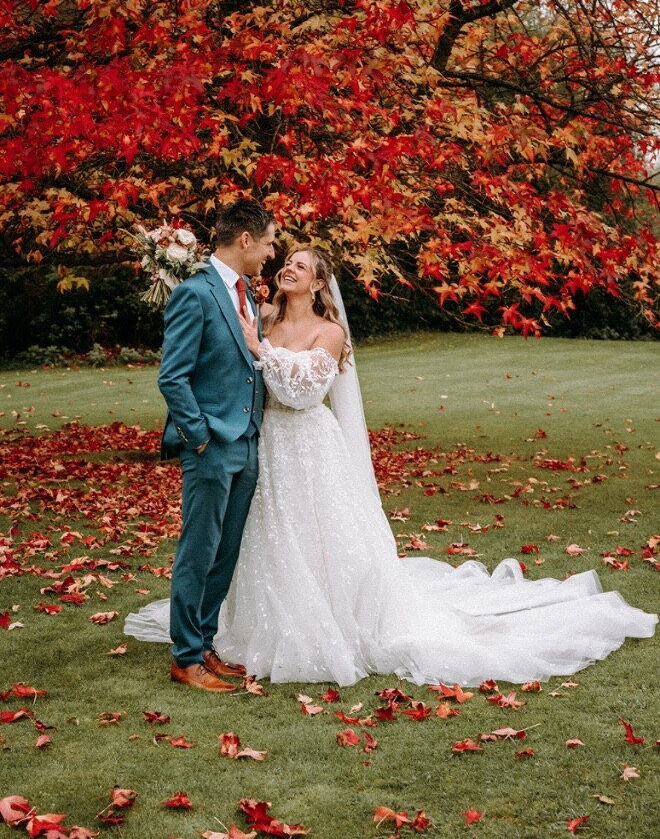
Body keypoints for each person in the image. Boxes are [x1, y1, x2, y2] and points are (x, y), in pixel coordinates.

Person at [126, 245, 657, 687]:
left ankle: (317, 627)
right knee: (260, 540)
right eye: (285, 259)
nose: (287, 267)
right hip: (262, 448)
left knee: (316, 540)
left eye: (301, 266)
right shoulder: (258, 315)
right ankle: (224, 635)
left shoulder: (329, 334)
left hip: (308, 448)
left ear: (318, 285)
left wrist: (261, 352)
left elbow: (305, 393)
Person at [130, 199, 276, 693]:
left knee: (226, 551)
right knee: (199, 550)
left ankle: (205, 643)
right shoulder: (195, 293)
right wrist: (200, 437)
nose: (272, 253)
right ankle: (185, 656)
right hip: (211, 445)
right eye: (270, 242)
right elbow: (173, 378)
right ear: (245, 240)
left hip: (247, 441)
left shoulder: (248, 296)